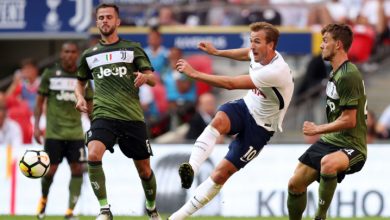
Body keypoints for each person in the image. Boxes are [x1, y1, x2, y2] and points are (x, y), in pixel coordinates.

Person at [168, 21, 294, 220]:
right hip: (246, 107)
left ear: (271, 45)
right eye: (251, 40)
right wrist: (217, 52)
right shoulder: (258, 53)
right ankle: (191, 168)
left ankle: (178, 217)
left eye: (257, 42)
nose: (252, 46)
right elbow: (246, 53)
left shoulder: (275, 71)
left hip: (261, 127)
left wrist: (194, 74)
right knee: (218, 120)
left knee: (220, 175)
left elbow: (230, 83)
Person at [74, 3, 161, 220]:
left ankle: (151, 208)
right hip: (104, 115)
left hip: (132, 117)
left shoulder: (133, 48)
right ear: (97, 22)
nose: (105, 20)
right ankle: (105, 210)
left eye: (109, 17)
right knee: (93, 153)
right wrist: (78, 96)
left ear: (118, 22)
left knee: (144, 170)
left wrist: (144, 77)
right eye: (101, 17)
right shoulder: (89, 55)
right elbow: (80, 82)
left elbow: (152, 78)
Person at [287, 23, 367, 220]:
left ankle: (320, 217)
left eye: (325, 41)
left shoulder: (348, 75)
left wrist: (317, 129)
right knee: (295, 184)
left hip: (352, 145)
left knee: (328, 163)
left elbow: (349, 120)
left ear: (338, 45)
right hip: (332, 140)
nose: (321, 46)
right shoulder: (335, 72)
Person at [34, 42, 93, 220]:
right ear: (61, 54)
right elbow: (39, 103)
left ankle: (70, 212)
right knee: (50, 171)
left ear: (77, 55)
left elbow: (90, 105)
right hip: (54, 133)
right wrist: (36, 127)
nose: (69, 55)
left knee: (77, 170)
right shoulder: (49, 75)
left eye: (73, 52)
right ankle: (43, 202)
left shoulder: (83, 77)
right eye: (66, 51)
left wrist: (96, 128)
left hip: (76, 133)